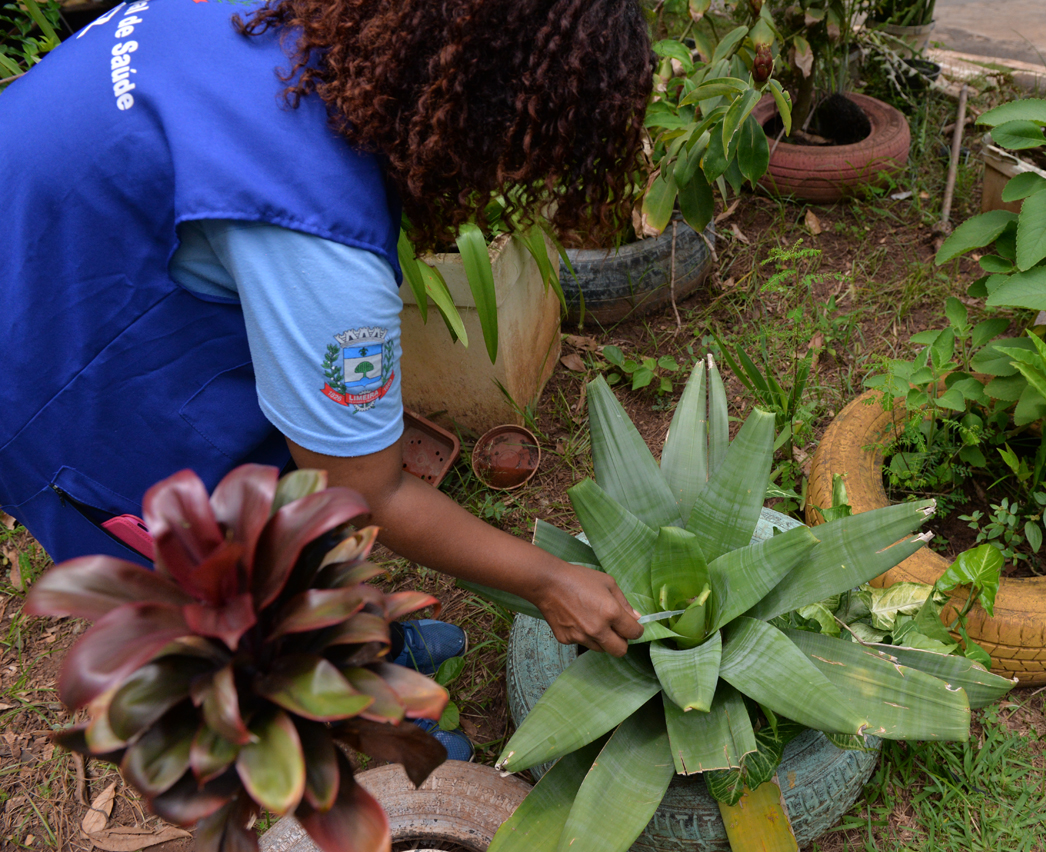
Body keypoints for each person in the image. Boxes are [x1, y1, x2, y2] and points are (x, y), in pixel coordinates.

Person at [0, 0, 653, 759]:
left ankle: (363, 640)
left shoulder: (303, 20)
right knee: (218, 569)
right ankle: (341, 720)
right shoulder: (317, 235)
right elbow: (363, 491)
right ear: (494, 117)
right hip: (42, 353)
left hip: (55, 219)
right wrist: (549, 581)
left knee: (279, 472)